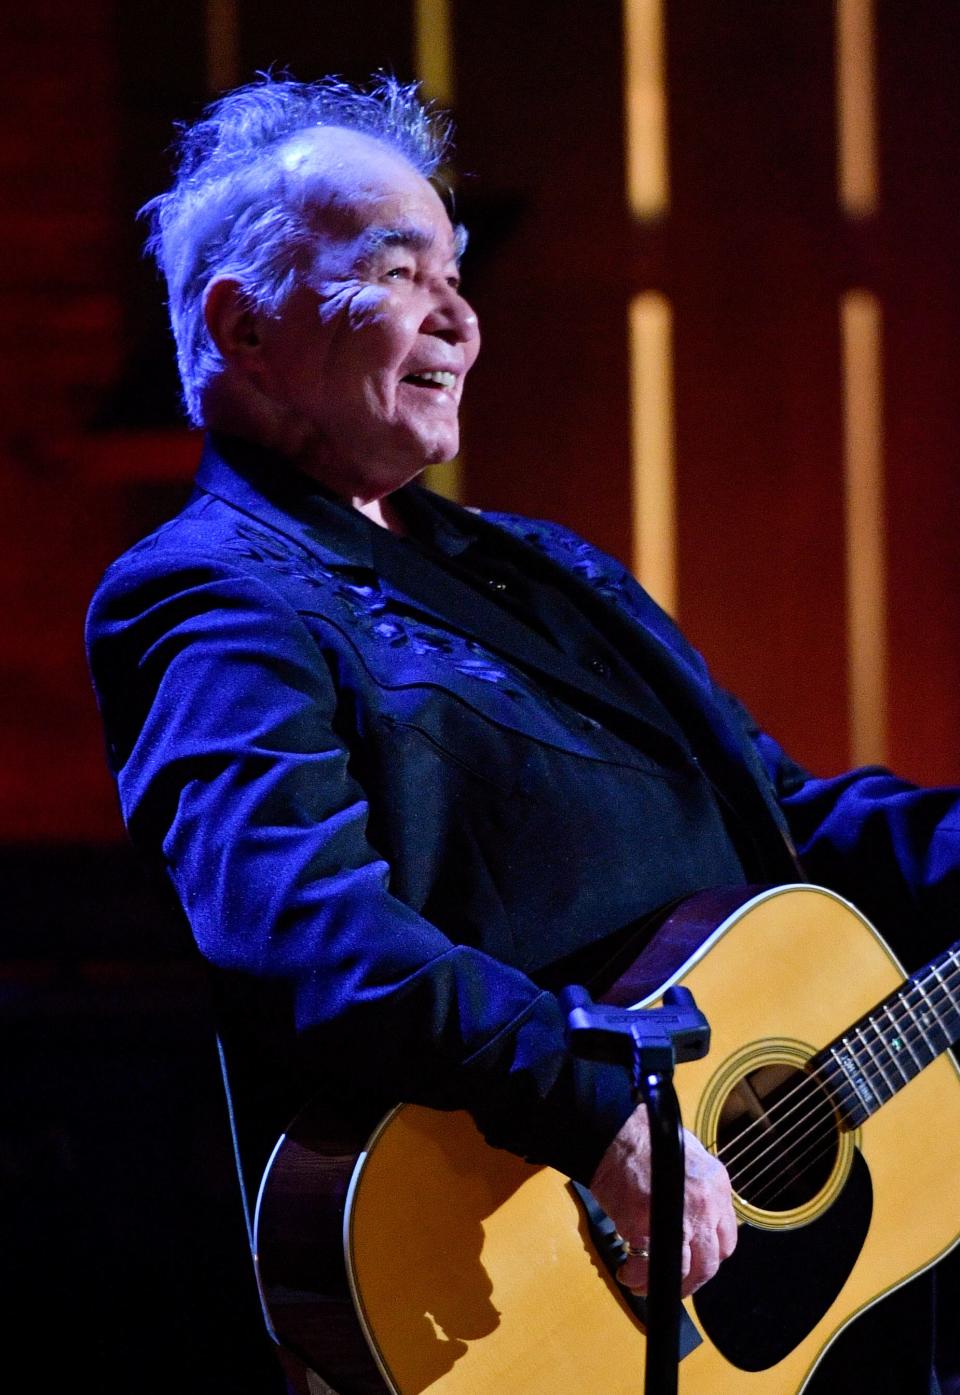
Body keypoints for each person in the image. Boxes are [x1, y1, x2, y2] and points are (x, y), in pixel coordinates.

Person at [86, 75, 956, 1395]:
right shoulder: (210, 591)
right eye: (398, 270)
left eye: (459, 271)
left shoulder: (554, 572)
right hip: (518, 1290)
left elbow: (782, 820)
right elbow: (314, 940)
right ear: (242, 324)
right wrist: (598, 1104)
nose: (461, 318)